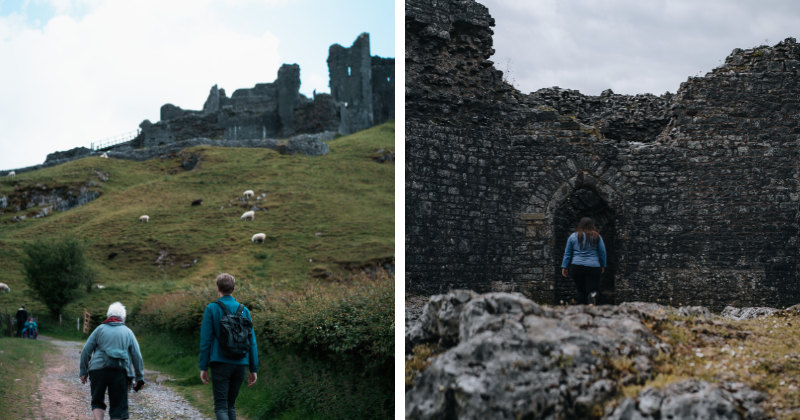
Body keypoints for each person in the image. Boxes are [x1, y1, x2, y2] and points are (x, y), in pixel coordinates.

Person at [199, 273, 258, 420]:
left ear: (218, 288)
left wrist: (203, 366)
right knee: (231, 405)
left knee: (221, 406)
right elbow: (252, 342)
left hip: (220, 363)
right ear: (234, 288)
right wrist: (253, 368)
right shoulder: (245, 310)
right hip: (241, 364)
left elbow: (205, 341)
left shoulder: (211, 308)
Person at [79, 302, 145, 420]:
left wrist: (83, 372)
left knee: (97, 401)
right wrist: (139, 378)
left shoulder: (99, 329)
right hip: (120, 371)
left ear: (108, 316)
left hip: (98, 370)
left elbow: (86, 351)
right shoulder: (128, 332)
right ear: (123, 318)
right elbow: (136, 355)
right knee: (118, 408)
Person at [561, 217, 607, 305]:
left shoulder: (573, 236)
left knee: (581, 291)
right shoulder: (597, 236)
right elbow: (602, 252)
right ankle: (591, 305)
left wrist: (564, 266)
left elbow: (567, 253)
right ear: (591, 225)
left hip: (576, 267)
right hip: (593, 267)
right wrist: (603, 265)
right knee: (593, 290)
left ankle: (581, 312)